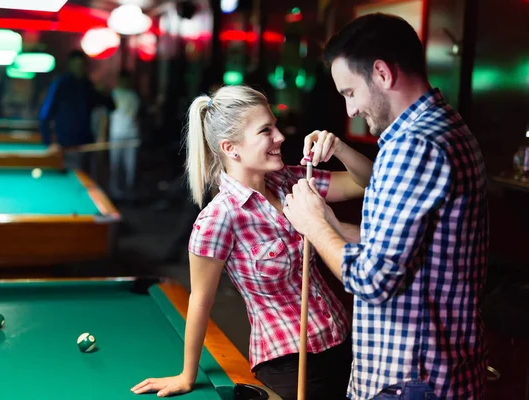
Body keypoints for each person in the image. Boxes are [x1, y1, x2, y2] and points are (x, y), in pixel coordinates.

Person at [283, 13, 489, 400]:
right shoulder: (446, 125)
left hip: (409, 381)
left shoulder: (413, 147)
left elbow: (373, 279)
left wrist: (315, 226)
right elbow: (406, 251)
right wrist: (330, 223)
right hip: (434, 374)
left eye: (349, 93)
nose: (350, 110)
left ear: (381, 73)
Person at [131, 85, 374, 400]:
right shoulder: (219, 218)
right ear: (232, 148)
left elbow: (368, 182)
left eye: (274, 126)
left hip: (345, 342)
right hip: (291, 364)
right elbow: (200, 301)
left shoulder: (291, 181)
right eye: (266, 131)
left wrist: (338, 147)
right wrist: (186, 375)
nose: (280, 136)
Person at [38, 50, 114, 175]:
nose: (79, 68)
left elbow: (111, 107)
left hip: (86, 145)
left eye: (81, 65)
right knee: (69, 179)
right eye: (76, 64)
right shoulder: (61, 85)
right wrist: (48, 143)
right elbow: (45, 115)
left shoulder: (89, 86)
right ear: (70, 65)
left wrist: (106, 92)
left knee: (85, 180)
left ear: (85, 66)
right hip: (66, 146)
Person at [108, 70, 141, 200]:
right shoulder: (112, 94)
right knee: (115, 165)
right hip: (115, 135)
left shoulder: (133, 96)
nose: (125, 82)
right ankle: (114, 193)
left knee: (130, 167)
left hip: (131, 136)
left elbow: (136, 116)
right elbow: (106, 116)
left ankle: (129, 193)